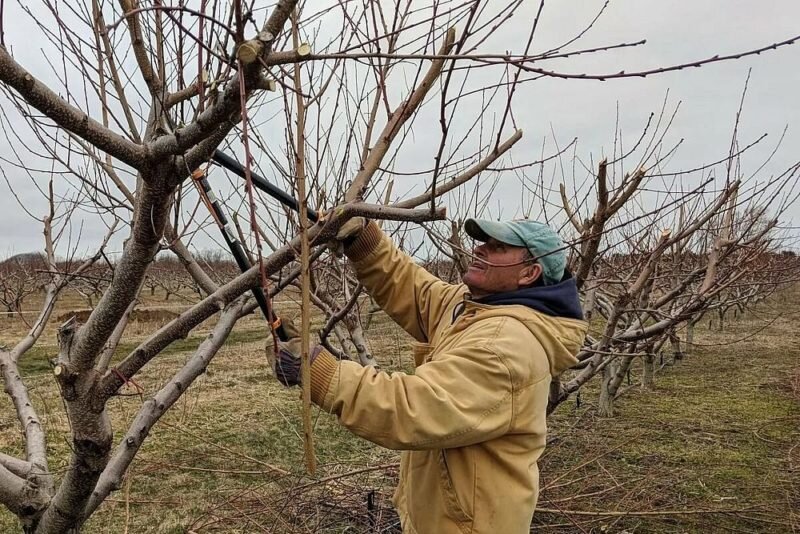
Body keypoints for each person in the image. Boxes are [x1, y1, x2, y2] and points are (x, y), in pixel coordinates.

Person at [275, 217, 588, 534]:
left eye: (498, 248)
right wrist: (364, 241)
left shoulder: (507, 348)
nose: (480, 249)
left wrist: (316, 369)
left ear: (528, 273)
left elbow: (412, 408)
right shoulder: (476, 308)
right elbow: (416, 290)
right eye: (483, 242)